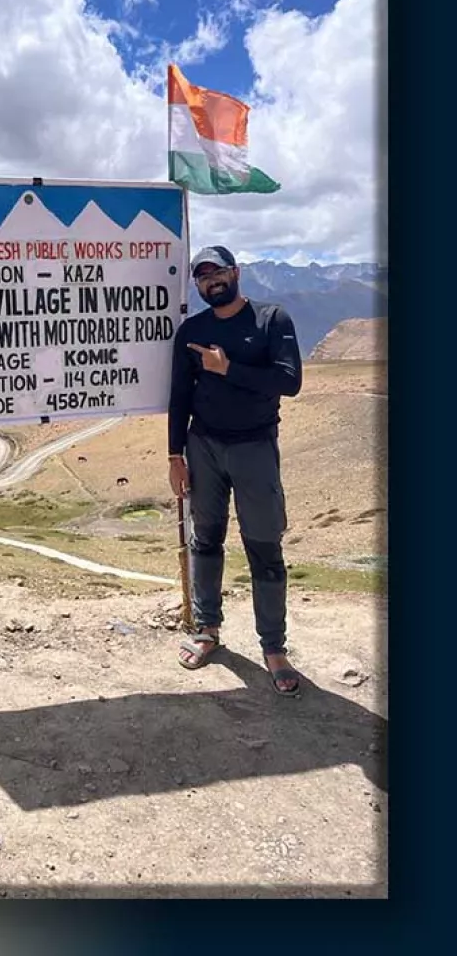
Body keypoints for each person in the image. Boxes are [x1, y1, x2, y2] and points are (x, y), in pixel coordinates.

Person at [169, 245, 304, 694]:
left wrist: (227, 368)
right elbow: (179, 395)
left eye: (218, 272)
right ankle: (207, 629)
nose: (212, 281)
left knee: (264, 544)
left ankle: (274, 647)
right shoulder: (192, 330)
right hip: (203, 445)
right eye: (203, 276)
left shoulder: (271, 320)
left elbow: (289, 381)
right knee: (205, 540)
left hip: (255, 447)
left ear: (236, 272)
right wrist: (174, 456)